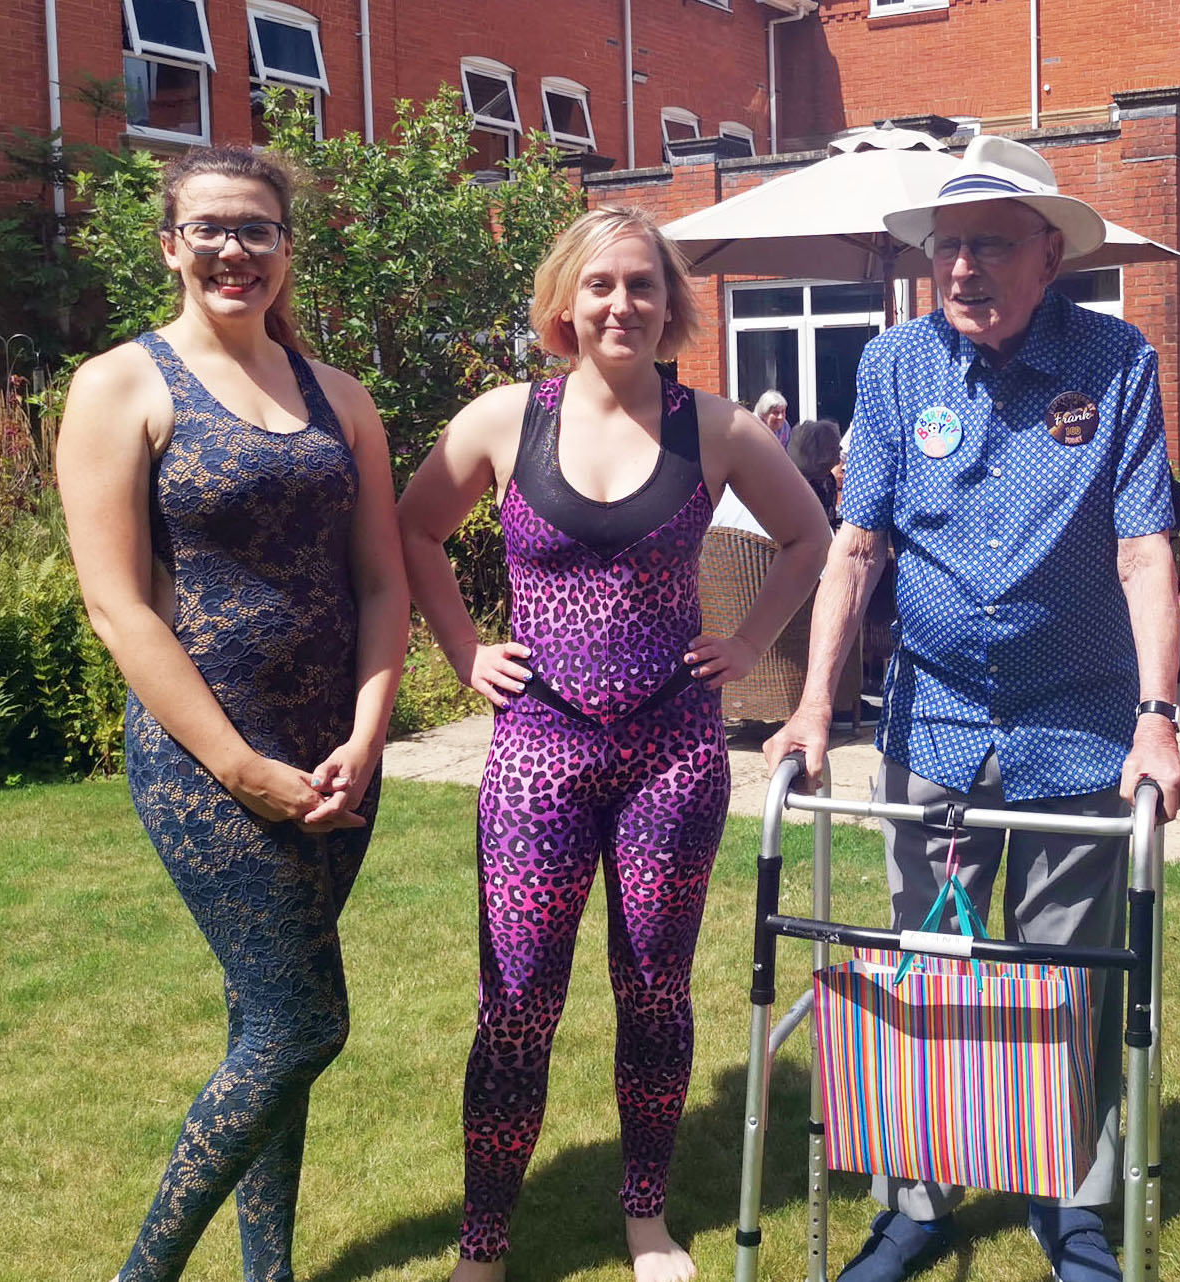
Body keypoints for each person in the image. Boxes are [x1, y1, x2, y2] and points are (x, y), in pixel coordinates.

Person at [763, 135, 1180, 1282]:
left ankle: (1070, 1199)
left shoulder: (1115, 363)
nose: (962, 268)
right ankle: (918, 1195)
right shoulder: (895, 366)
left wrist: (1156, 713)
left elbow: (1146, 549)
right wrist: (813, 707)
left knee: (1068, 974)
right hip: (935, 727)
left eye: (989, 246)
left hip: (1075, 722)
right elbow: (855, 549)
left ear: (1047, 255)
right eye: (946, 247)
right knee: (930, 957)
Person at [395, 206, 830, 1282]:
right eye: (599, 286)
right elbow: (412, 527)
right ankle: (484, 1242)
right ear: (563, 301)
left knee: (654, 991)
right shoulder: (506, 418)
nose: (620, 305)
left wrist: (748, 642)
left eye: (640, 285)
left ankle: (645, 1217)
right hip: (537, 754)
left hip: (669, 756)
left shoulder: (716, 429)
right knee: (518, 996)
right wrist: (461, 650)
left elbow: (809, 534)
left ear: (669, 304)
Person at [56, 146, 409, 1281]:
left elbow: (379, 582)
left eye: (256, 229)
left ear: (285, 249)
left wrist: (367, 732)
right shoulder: (121, 386)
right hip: (205, 760)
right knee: (304, 1025)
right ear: (170, 244)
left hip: (336, 759)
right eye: (209, 228)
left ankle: (269, 1272)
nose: (233, 250)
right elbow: (119, 610)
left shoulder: (339, 398)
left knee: (268, 1030)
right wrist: (241, 765)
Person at [787, 417, 844, 528]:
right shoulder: (796, 485)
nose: (840, 448)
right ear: (820, 452)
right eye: (835, 444)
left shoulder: (829, 479)